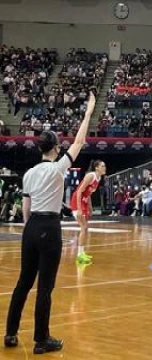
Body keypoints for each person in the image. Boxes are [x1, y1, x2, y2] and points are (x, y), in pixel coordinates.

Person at [5, 92, 95, 354]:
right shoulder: (58, 168)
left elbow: (25, 206)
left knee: (23, 282)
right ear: (55, 148)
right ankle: (41, 339)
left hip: (31, 227)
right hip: (48, 226)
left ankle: (10, 333)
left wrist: (28, 228)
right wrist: (88, 113)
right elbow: (79, 142)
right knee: (45, 287)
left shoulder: (29, 173)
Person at [69, 160, 107, 264]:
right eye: (102, 166)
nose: (105, 168)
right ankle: (79, 256)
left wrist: (90, 206)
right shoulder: (91, 176)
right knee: (84, 227)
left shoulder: (98, 178)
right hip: (77, 201)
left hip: (84, 202)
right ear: (96, 168)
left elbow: (88, 193)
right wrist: (79, 209)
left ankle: (82, 253)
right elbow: (79, 191)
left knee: (85, 228)